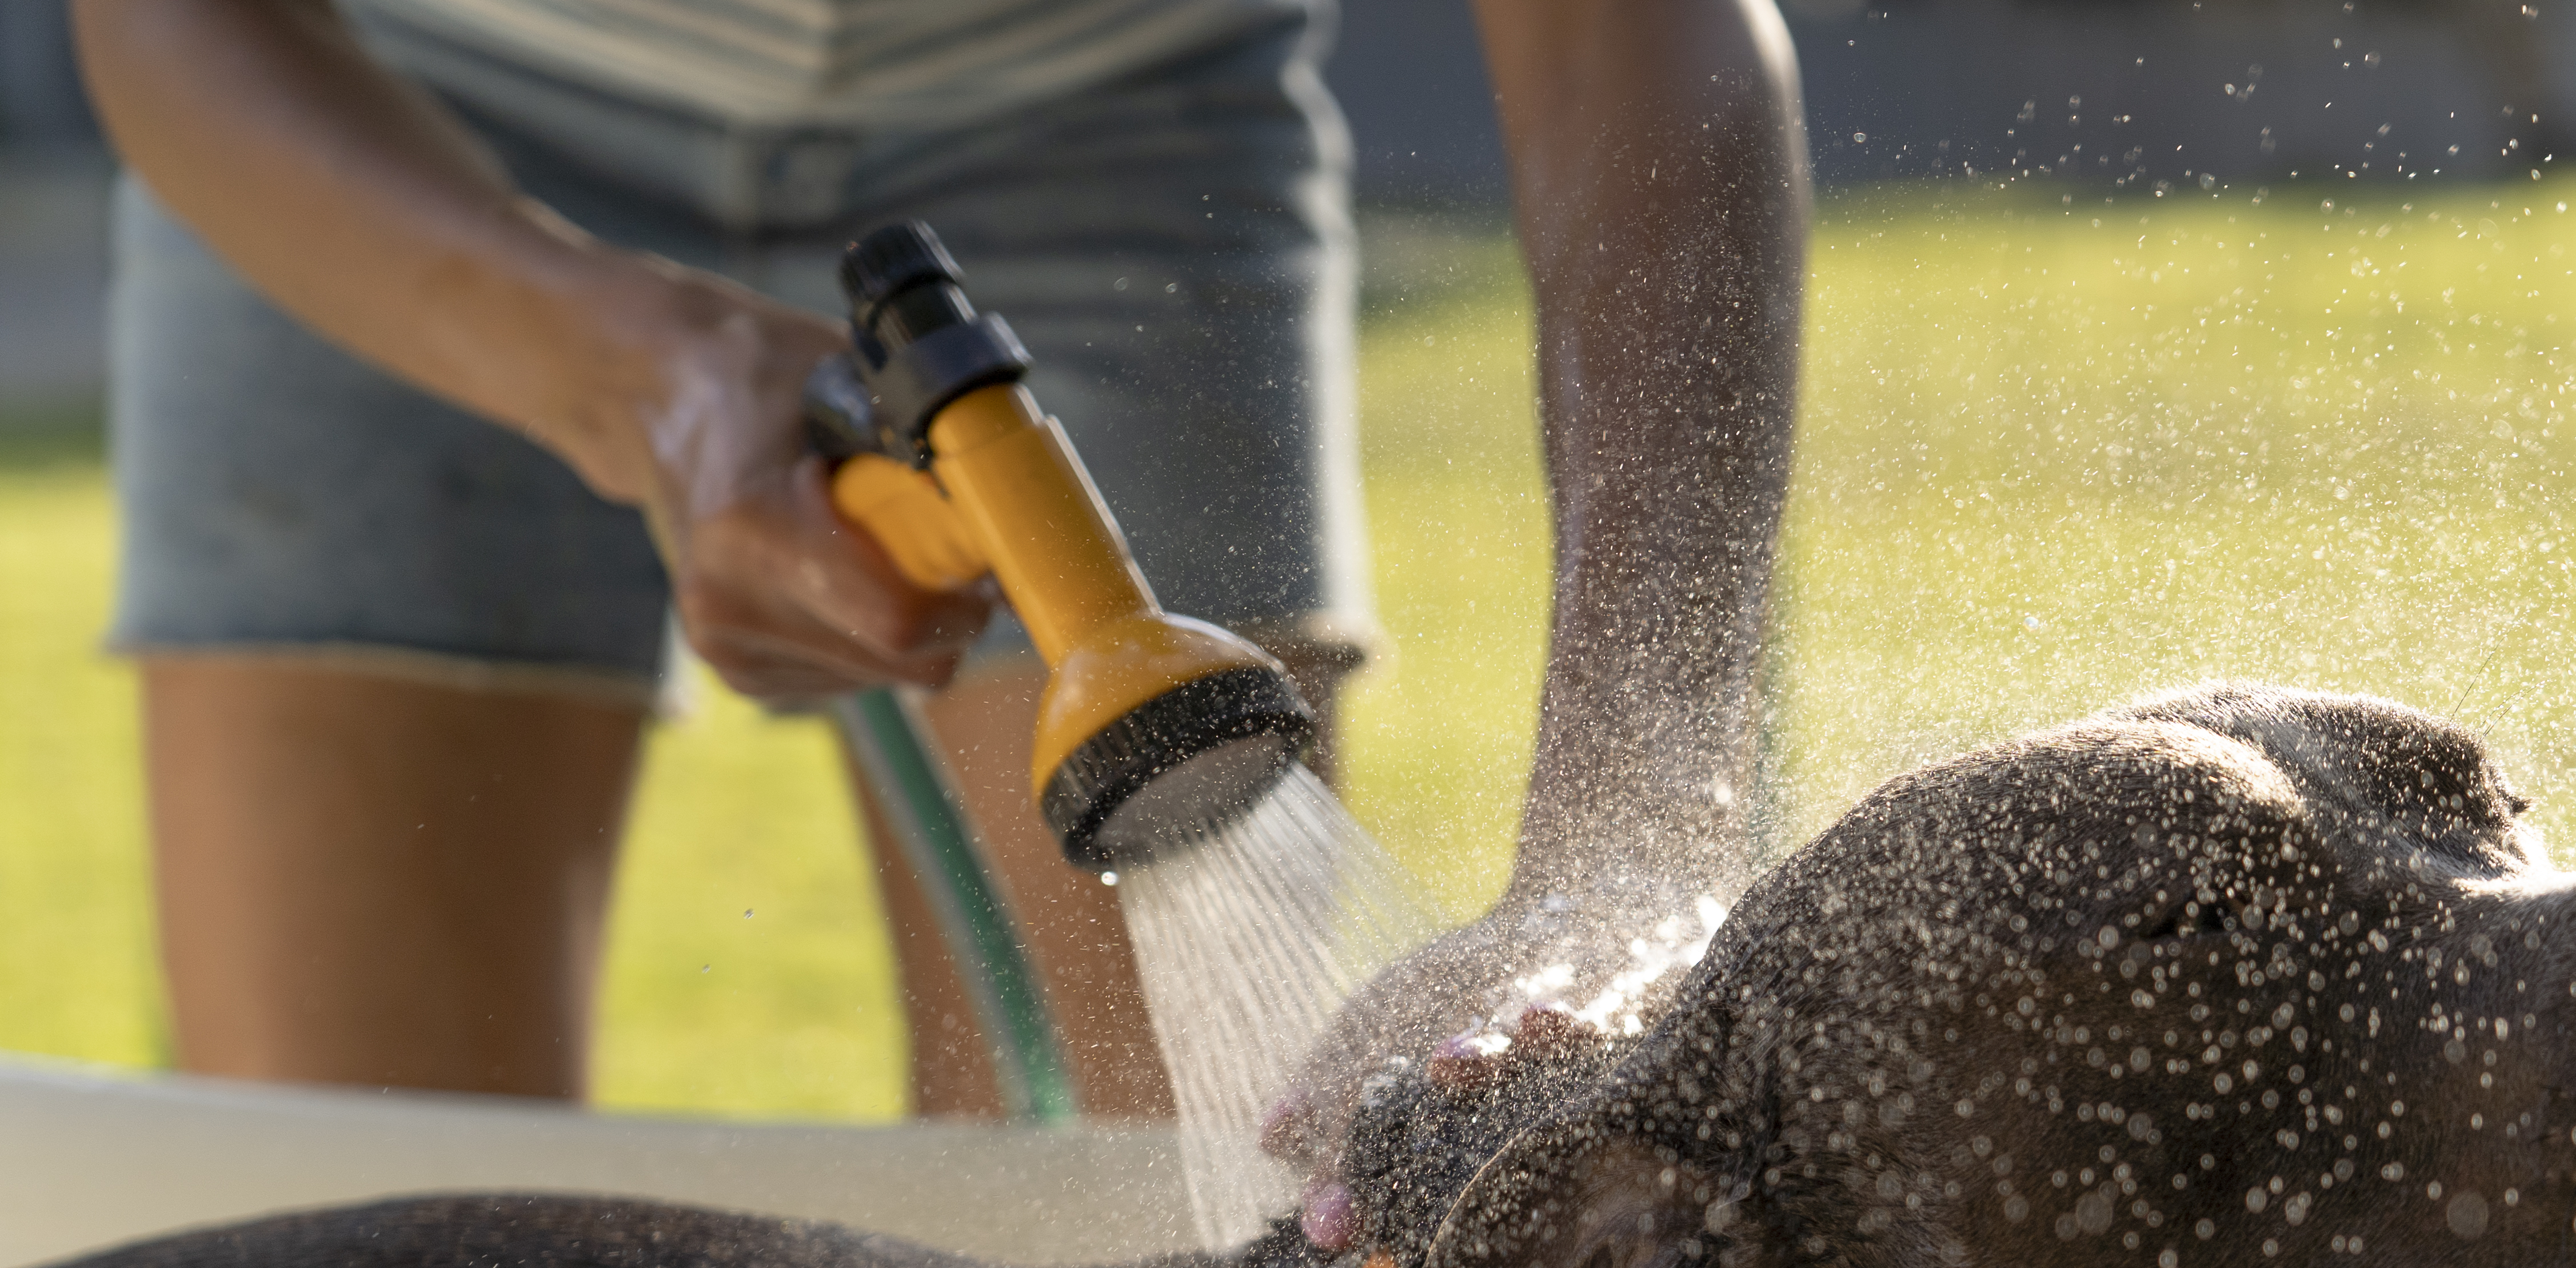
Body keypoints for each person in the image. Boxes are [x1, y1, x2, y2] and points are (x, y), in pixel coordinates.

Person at [73, 0, 1807, 1118]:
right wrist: (639, 379)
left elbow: (1627, 31)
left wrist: (1635, 838)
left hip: (1098, 96)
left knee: (1197, 1263)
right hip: (385, 95)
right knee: (363, 1255)